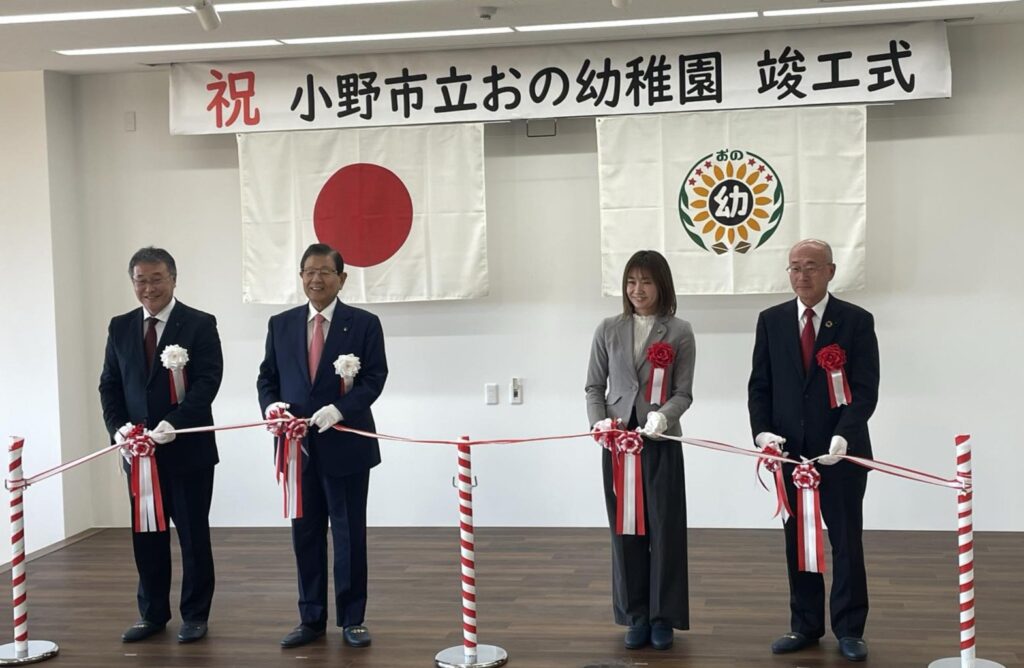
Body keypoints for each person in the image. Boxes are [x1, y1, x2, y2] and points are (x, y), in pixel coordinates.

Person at [747, 239, 880, 662]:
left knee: (846, 542)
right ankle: (804, 624)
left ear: (831, 271)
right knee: (799, 542)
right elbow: (760, 386)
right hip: (792, 456)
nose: (801, 275)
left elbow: (865, 390)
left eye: (811, 266)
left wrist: (845, 435)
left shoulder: (855, 321)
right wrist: (762, 433)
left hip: (841, 454)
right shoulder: (771, 320)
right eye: (794, 267)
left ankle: (850, 628)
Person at [257, 243, 388, 649]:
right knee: (305, 534)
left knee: (349, 534)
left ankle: (352, 619)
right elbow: (267, 377)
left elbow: (374, 379)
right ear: (301, 277)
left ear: (341, 278)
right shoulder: (281, 324)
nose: (316, 279)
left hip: (346, 446)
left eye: (325, 272)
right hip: (296, 449)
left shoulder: (363, 324)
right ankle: (310, 619)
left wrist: (340, 409)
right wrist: (271, 406)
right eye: (309, 272)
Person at [98, 246, 223, 644]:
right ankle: (152, 614)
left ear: (173, 279)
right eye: (141, 280)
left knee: (193, 536)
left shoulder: (200, 323)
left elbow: (208, 382)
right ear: (132, 283)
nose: (149, 288)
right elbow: (109, 385)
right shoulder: (120, 326)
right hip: (139, 455)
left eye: (157, 279)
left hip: (187, 451)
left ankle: (195, 615)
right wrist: (118, 429)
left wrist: (175, 423)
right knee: (147, 536)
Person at [585, 249, 696, 651]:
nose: (638, 289)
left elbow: (683, 392)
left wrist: (663, 418)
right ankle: (636, 615)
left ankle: (663, 617)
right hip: (617, 445)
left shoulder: (679, 331)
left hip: (660, 441)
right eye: (631, 282)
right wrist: (598, 422)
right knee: (625, 530)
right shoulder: (608, 328)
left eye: (646, 281)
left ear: (662, 285)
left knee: (665, 530)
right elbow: (594, 386)